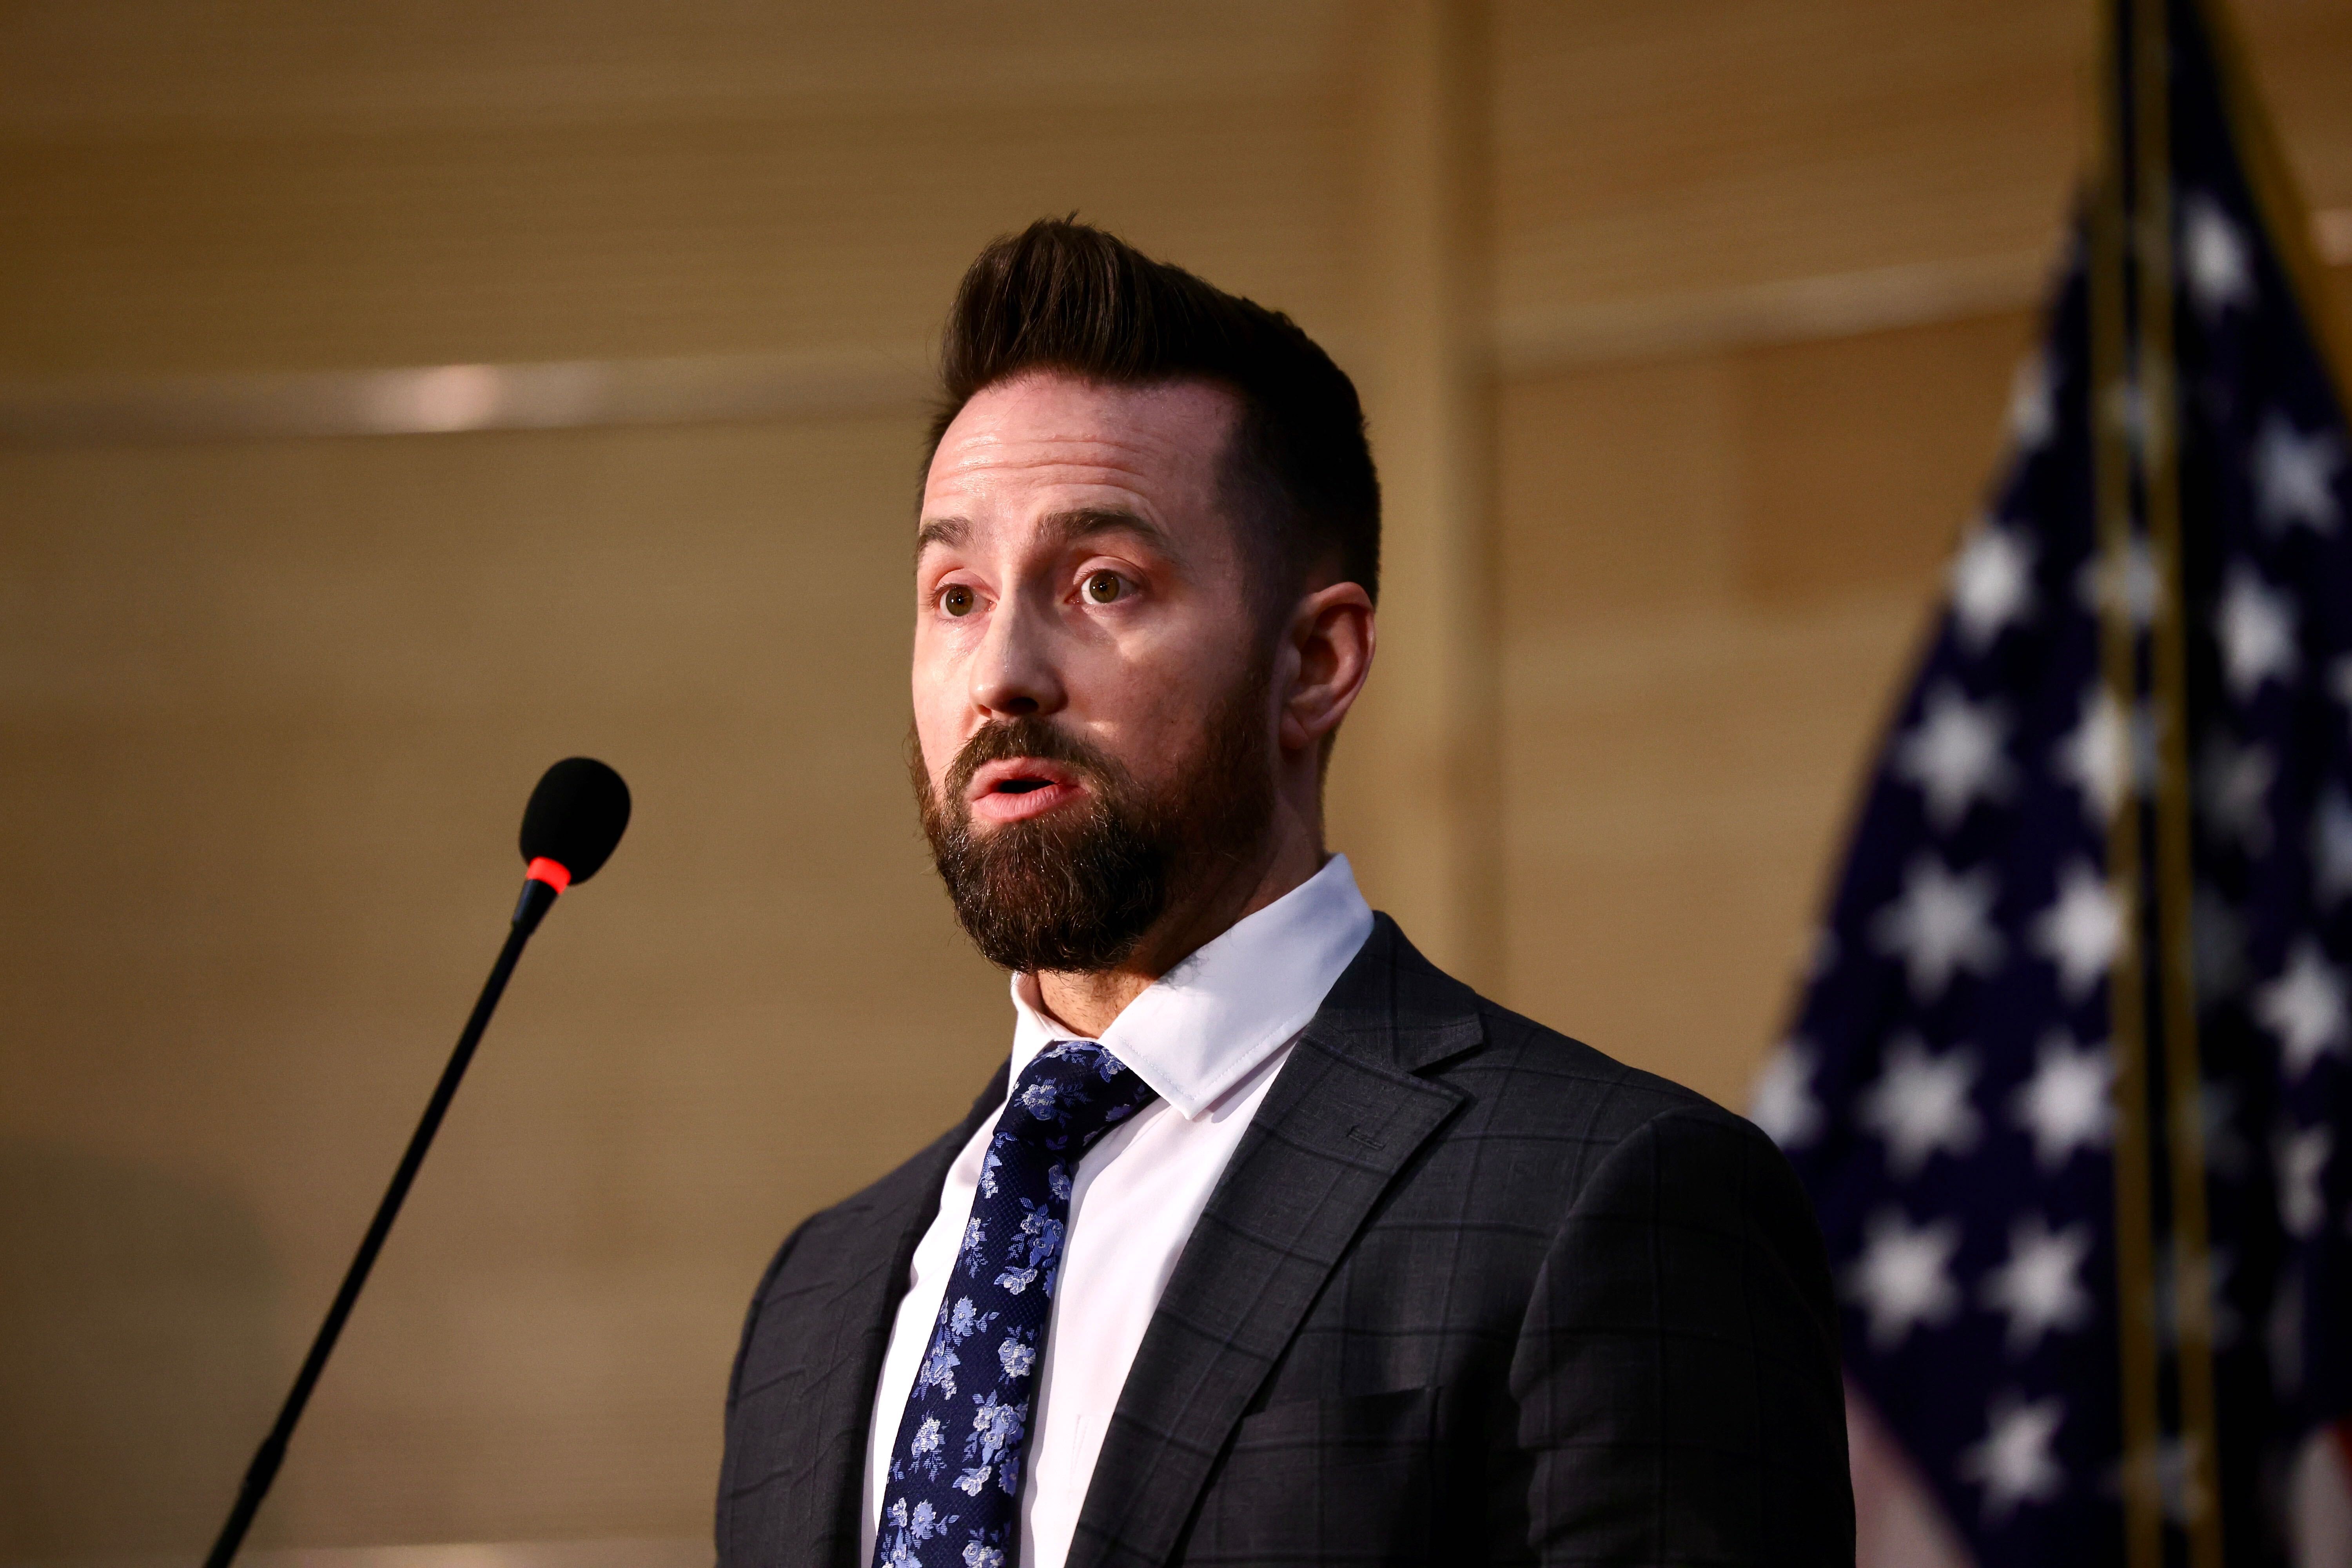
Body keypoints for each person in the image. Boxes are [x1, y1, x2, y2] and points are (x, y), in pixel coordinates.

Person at [715, 218, 1853, 1568]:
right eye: (955, 594)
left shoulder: (1611, 1202)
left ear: (1316, 662)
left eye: (1101, 582)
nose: (1002, 671)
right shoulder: (817, 1298)